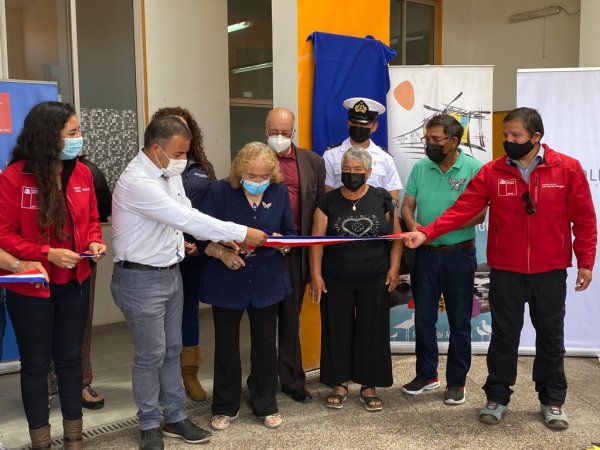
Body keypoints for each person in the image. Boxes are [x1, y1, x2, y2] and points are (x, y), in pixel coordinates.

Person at [402, 107, 597, 429]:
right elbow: (463, 208)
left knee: (551, 337)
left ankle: (552, 400)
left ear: (536, 136)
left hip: (550, 270)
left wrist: (585, 262)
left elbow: (585, 219)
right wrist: (427, 232)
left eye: (515, 135)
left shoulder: (567, 168)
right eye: (505, 135)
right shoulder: (493, 171)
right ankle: (497, 397)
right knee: (504, 337)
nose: (508, 140)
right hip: (506, 270)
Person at [111, 115, 267, 450]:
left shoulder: (167, 174)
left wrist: (222, 240)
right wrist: (240, 231)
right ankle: (149, 423)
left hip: (170, 273)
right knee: (150, 354)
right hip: (140, 278)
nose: (184, 160)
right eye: (179, 153)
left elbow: (184, 214)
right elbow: (183, 217)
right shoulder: (138, 180)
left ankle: (175, 417)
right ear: (156, 149)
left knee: (172, 350)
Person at [0, 101, 106, 450]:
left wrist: (94, 240)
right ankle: (41, 442)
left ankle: (74, 439)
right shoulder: (14, 178)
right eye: (72, 132)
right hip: (31, 288)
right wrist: (46, 253)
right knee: (35, 365)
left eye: (78, 131)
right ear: (49, 137)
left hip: (75, 283)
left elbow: (92, 219)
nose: (79, 138)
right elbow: (4, 235)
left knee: (71, 361)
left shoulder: (83, 173)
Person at [200, 142, 296, 431]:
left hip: (267, 280)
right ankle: (225, 405)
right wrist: (222, 253)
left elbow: (291, 233)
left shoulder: (278, 192)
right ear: (239, 171)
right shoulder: (220, 191)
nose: (258, 182)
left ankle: (265, 402)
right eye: (252, 176)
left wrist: (282, 244)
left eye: (264, 176)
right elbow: (199, 234)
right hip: (227, 279)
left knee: (266, 344)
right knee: (226, 345)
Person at [400, 114, 485, 405]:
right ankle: (426, 375)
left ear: (453, 141)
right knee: (424, 317)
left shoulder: (473, 168)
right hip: (424, 255)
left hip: (459, 255)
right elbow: (408, 205)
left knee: (460, 320)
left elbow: (479, 214)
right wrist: (414, 227)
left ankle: (457, 382)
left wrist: (433, 231)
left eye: (436, 140)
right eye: (427, 139)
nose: (430, 144)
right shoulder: (420, 168)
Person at [310, 146, 402, 412]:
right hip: (336, 276)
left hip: (375, 276)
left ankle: (369, 384)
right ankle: (338, 383)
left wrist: (394, 268)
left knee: (373, 328)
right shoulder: (327, 201)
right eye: (346, 170)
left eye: (358, 170)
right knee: (336, 327)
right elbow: (316, 241)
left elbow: (396, 238)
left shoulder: (383, 199)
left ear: (369, 172)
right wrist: (316, 275)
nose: (351, 174)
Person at [151, 107, 216, 402]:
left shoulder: (202, 166)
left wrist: (199, 245)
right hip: (161, 254)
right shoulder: (151, 167)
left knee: (189, 312)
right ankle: (163, 378)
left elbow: (210, 210)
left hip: (194, 254)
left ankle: (189, 373)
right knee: (161, 319)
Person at [265, 107, 325, 403]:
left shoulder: (313, 162)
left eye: (284, 133)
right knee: (263, 322)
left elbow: (320, 210)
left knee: (290, 319)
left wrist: (316, 264)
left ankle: (292, 381)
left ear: (294, 133)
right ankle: (262, 382)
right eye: (273, 132)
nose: (279, 137)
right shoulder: (252, 159)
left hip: (296, 252)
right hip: (262, 251)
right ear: (265, 131)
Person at [323, 97, 402, 200]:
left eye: (363, 124)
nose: (358, 127)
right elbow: (327, 194)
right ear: (348, 123)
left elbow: (393, 197)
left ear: (374, 126)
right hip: (340, 208)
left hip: (374, 209)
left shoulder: (385, 158)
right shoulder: (331, 155)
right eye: (354, 122)